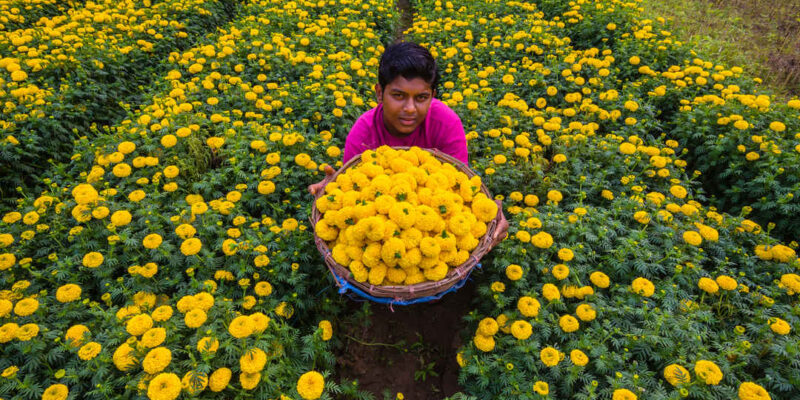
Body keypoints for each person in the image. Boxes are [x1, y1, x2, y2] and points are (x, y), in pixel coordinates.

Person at [309, 41, 508, 248]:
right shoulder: (364, 133)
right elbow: (352, 195)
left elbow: (459, 193)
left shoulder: (446, 124)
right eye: (398, 96)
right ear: (379, 93)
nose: (410, 108)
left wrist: (488, 216)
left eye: (421, 98)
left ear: (432, 96)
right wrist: (335, 190)